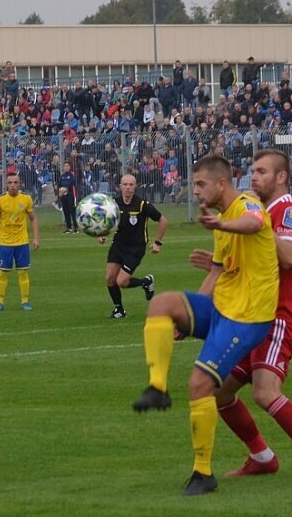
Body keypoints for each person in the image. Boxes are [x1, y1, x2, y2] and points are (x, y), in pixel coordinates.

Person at [186, 150, 292, 490]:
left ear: (281, 178)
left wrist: (254, 229)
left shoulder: (284, 210)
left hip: (279, 315)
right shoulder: (257, 211)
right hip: (253, 315)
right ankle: (261, 457)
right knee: (218, 390)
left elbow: (287, 256)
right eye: (253, 171)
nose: (253, 177)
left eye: (261, 172)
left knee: (265, 392)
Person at [130, 155, 279, 497]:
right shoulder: (224, 217)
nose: (194, 191)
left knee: (199, 384)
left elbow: (255, 224)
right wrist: (187, 318)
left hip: (247, 317)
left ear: (221, 184)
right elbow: (216, 271)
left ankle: (203, 472)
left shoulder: (246, 205)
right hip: (221, 307)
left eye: (200, 184)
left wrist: (221, 226)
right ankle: (157, 387)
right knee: (162, 304)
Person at [100, 173, 167, 319]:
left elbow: (163, 221)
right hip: (118, 244)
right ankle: (119, 310)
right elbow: (108, 221)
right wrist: (102, 234)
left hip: (136, 247)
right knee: (110, 278)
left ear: (135, 187)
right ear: (120, 187)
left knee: (122, 281)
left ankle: (145, 282)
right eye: (125, 184)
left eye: (131, 185)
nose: (128, 187)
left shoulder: (142, 204)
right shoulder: (114, 203)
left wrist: (158, 243)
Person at [0, 173, 40, 312]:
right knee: (3, 273)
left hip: (22, 242)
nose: (13, 185)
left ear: (20, 184)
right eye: (10, 183)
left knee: (23, 272)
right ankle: (0, 302)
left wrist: (36, 238)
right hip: (5, 243)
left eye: (15, 182)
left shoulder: (26, 199)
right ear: (6, 184)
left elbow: (33, 219)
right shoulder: (0, 200)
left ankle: (25, 301)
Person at [58, 162, 79, 234]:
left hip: (71, 195)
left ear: (70, 167)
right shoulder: (62, 176)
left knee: (72, 212)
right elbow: (59, 184)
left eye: (67, 166)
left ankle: (76, 228)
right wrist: (60, 191)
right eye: (65, 166)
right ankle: (69, 228)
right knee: (66, 212)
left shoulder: (72, 175)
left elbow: (72, 183)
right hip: (64, 196)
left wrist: (66, 189)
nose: (66, 167)